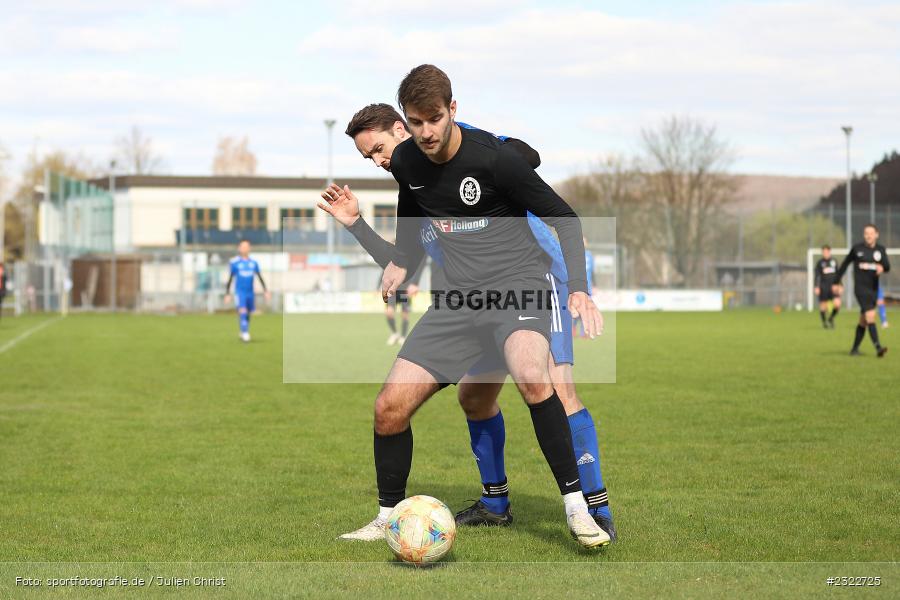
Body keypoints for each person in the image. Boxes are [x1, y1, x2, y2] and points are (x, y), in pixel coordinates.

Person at [340, 65, 607, 548]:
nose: (425, 132)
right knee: (388, 408)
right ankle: (387, 517)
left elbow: (565, 220)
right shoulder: (406, 165)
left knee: (534, 376)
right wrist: (392, 255)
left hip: (518, 287)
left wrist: (581, 289)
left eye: (433, 120)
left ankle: (579, 508)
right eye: (416, 122)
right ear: (405, 121)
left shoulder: (495, 160)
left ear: (452, 111)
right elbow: (410, 238)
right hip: (460, 302)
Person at [835, 224, 890, 357]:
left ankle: (854, 349)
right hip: (860, 289)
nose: (868, 235)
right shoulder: (857, 249)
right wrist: (837, 282)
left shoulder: (880, 250)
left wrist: (882, 268)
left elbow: (887, 266)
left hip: (873, 290)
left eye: (871, 233)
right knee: (871, 316)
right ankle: (878, 347)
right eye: (866, 233)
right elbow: (844, 265)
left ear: (876, 234)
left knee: (863, 321)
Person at [224, 239, 270, 342]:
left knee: (248, 312)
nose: (245, 248)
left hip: (250, 292)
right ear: (239, 248)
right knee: (242, 310)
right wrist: (227, 293)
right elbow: (230, 278)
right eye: (243, 246)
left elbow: (259, 277)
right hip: (240, 292)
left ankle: (242, 330)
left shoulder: (253, 263)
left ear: (249, 248)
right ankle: (245, 333)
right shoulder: (235, 263)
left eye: (247, 246)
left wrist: (266, 291)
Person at [813, 245, 841, 329]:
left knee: (837, 304)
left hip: (833, 287)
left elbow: (838, 274)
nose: (825, 253)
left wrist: (840, 285)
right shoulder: (820, 263)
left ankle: (831, 318)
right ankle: (824, 322)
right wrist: (816, 287)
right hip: (823, 287)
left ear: (829, 251)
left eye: (826, 251)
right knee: (823, 307)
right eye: (823, 252)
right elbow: (816, 276)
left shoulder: (834, 261)